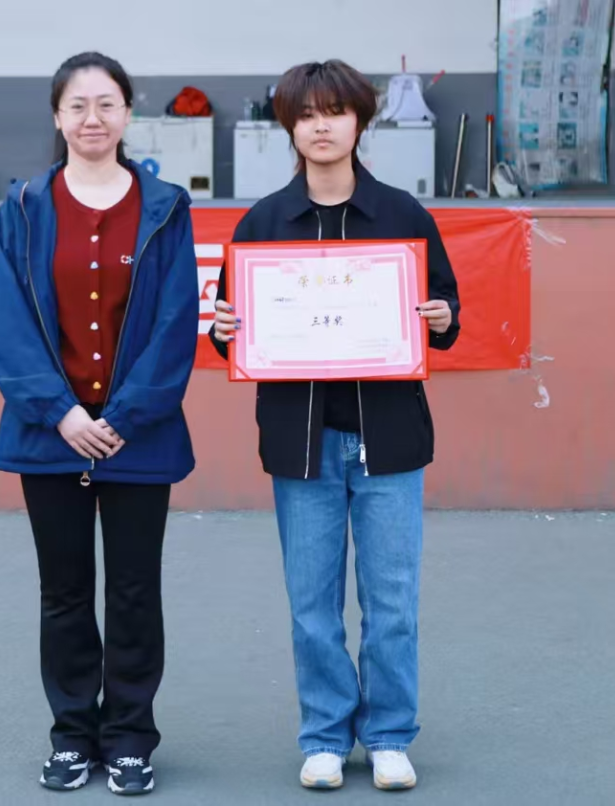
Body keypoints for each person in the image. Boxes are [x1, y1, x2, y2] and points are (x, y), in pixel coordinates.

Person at [210, 60, 461, 791]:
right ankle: (323, 735)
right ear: (289, 127)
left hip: (390, 441)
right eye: (307, 114)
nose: (322, 126)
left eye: (336, 112)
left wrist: (441, 317)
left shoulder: (404, 217)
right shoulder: (262, 223)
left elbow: (445, 311)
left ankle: (388, 736)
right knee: (312, 605)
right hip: (303, 443)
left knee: (393, 604)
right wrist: (226, 329)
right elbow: (234, 329)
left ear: (359, 121)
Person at [0, 51, 199, 796]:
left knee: (135, 590)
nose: (92, 119)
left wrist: (126, 416)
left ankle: (131, 736)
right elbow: (9, 329)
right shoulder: (23, 208)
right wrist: (63, 414)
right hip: (51, 437)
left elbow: (177, 323)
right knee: (65, 591)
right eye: (77, 105)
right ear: (57, 116)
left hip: (141, 434)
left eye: (107, 104)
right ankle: (73, 735)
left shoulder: (166, 206)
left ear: (127, 113)